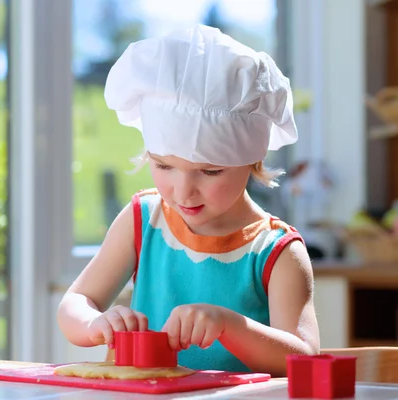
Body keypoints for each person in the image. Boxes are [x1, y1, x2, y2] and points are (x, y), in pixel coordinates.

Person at [57, 24, 320, 377]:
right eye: (164, 166)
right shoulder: (144, 218)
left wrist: (231, 325)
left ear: (252, 161)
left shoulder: (277, 252)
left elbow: (304, 358)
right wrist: (96, 323)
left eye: (210, 172)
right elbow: (75, 303)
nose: (183, 192)